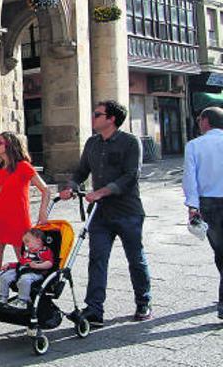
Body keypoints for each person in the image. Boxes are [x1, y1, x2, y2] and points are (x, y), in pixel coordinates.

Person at [59, 100, 152, 326]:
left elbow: (131, 175)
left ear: (111, 119)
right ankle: (94, 309)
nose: (93, 117)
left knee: (135, 258)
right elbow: (81, 171)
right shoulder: (92, 143)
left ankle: (143, 301)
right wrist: (71, 186)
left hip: (128, 211)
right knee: (97, 259)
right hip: (100, 214)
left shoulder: (130, 142)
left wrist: (102, 191)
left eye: (97, 114)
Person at [0, 131, 50, 296]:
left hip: (19, 222)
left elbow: (45, 190)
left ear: (9, 146)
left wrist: (42, 213)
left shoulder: (24, 166)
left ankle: (28, 299)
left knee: (25, 262)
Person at [182, 106, 223, 320]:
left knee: (220, 251)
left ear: (206, 121)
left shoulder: (194, 145)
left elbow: (190, 178)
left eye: (199, 119)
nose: (198, 123)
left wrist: (192, 206)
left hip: (209, 204)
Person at [0, 228, 55, 309]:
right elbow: (20, 263)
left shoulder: (45, 251)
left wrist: (38, 266)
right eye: (24, 243)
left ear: (38, 241)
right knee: (4, 276)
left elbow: (49, 263)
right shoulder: (27, 252)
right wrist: (10, 265)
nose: (26, 245)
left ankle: (23, 301)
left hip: (36, 272)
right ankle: (2, 297)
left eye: (27, 242)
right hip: (22, 270)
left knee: (24, 280)